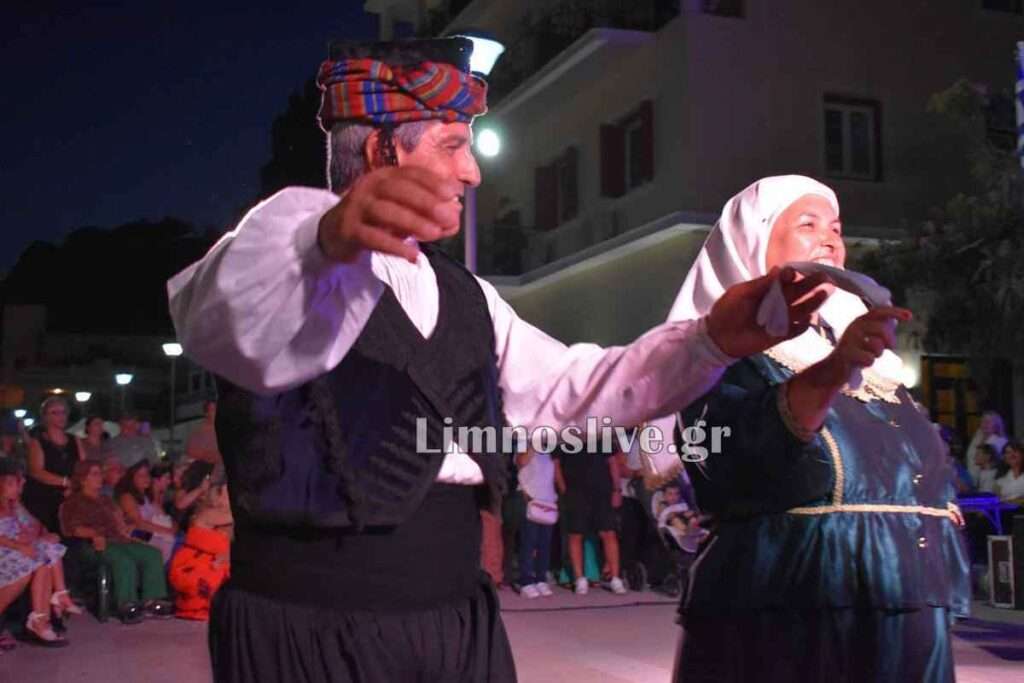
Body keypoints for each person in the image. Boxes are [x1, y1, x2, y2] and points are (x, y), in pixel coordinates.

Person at [167, 38, 828, 683]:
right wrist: (327, 236)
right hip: (310, 635)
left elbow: (576, 391)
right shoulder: (277, 262)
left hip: (458, 623)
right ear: (381, 150)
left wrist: (709, 340)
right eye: (453, 146)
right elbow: (221, 314)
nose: (473, 173)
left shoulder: (470, 297)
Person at [662, 176, 969, 682]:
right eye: (808, 225)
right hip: (793, 615)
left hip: (901, 613)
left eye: (836, 228)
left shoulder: (878, 368)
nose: (829, 239)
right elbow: (728, 458)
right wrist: (833, 370)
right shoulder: (720, 355)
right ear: (755, 241)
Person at [59, 460, 173, 624]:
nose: (100, 477)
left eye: (100, 473)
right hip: (92, 544)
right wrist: (95, 534)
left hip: (117, 539)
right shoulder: (74, 502)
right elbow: (73, 529)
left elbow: (120, 522)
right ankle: (127, 604)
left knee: (152, 553)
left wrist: (128, 528)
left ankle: (152, 601)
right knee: (123, 560)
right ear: (83, 479)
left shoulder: (106, 500)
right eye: (95, 474)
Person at [0, 458, 80, 647]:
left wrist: (39, 536)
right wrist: (20, 544)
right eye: (13, 482)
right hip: (6, 554)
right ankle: (59, 597)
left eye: (18, 482)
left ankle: (42, 619)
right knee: (40, 558)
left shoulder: (13, 505)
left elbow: (33, 527)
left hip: (16, 551)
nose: (19, 485)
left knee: (45, 556)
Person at [554, 444, 627, 595]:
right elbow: (556, 465)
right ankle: (580, 579)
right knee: (575, 535)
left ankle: (615, 578)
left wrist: (617, 489)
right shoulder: (564, 438)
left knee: (608, 533)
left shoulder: (601, 435)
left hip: (602, 492)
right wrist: (564, 491)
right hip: (575, 492)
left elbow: (612, 462)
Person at [168, 466, 232, 621]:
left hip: (213, 561)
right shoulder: (207, 513)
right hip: (191, 564)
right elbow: (242, 515)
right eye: (227, 494)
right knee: (217, 573)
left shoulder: (229, 520)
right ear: (216, 496)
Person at [23, 397, 83, 535]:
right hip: (43, 496)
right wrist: (65, 482)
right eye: (54, 412)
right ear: (45, 417)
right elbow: (36, 471)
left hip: (71, 493)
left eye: (63, 412)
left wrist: (74, 486)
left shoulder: (75, 440)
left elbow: (83, 466)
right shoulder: (37, 442)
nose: (60, 416)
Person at [115, 461, 178, 563]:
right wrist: (166, 531)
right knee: (167, 539)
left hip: (150, 532)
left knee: (175, 538)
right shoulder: (127, 497)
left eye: (147, 474)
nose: (146, 478)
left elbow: (165, 517)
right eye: (141, 475)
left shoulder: (147, 497)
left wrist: (173, 527)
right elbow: (138, 523)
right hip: (135, 533)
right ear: (132, 478)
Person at [515, 449, 557, 599]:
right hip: (531, 500)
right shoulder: (524, 446)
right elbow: (521, 462)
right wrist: (533, 445)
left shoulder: (549, 451)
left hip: (548, 501)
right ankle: (526, 581)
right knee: (529, 542)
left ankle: (541, 579)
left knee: (544, 544)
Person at [966, 411, 1008, 485]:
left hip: (990, 479)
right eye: (982, 421)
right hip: (971, 478)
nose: (985, 424)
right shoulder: (977, 438)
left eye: (988, 422)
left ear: (996, 425)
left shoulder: (1001, 441)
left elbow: (1002, 464)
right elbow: (970, 458)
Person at [185, 400, 221, 464]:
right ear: (206, 413)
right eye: (213, 410)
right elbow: (192, 452)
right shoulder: (199, 432)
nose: (216, 412)